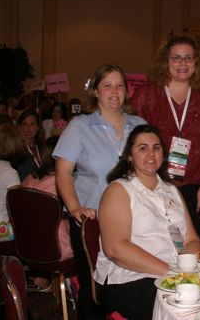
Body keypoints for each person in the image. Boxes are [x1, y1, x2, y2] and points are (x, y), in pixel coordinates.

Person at [54, 63, 146, 319]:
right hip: (91, 219)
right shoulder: (80, 126)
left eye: (120, 85)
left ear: (127, 91)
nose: (114, 91)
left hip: (133, 220)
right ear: (96, 91)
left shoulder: (139, 126)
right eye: (107, 85)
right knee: (95, 289)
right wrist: (74, 208)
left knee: (132, 283)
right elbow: (62, 171)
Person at [95, 125, 200, 318]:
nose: (151, 153)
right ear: (129, 155)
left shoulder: (172, 191)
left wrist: (192, 268)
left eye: (157, 147)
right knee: (184, 306)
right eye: (143, 148)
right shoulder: (119, 191)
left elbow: (192, 240)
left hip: (175, 274)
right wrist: (172, 273)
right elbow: (115, 249)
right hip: (130, 280)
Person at [131, 35, 200, 236]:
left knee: (193, 245)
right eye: (176, 58)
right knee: (160, 242)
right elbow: (133, 140)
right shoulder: (146, 95)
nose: (182, 63)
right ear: (165, 61)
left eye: (188, 58)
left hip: (196, 188)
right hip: (154, 184)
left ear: (196, 62)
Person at [22, 136, 73, 260]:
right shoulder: (63, 183)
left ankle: (43, 278)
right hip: (59, 248)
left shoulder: (28, 179)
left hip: (28, 246)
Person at [15, 110, 43, 180]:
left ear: (38, 127)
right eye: (25, 124)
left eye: (32, 124)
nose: (28, 128)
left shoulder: (42, 148)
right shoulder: (16, 150)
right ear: (20, 127)